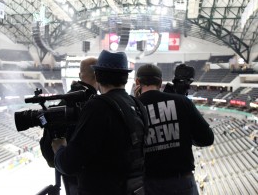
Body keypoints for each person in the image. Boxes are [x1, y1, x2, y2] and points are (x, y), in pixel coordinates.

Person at [51, 50, 148, 195]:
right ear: (126, 77)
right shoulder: (138, 105)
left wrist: (59, 149)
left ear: (97, 76)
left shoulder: (98, 106)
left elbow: (69, 164)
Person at [134, 63, 214, 195]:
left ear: (137, 81)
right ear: (160, 82)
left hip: (147, 184)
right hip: (181, 182)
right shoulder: (182, 101)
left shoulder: (132, 108)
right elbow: (207, 139)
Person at [39, 57, 98, 195]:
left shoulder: (64, 102)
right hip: (89, 180)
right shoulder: (95, 104)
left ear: (79, 75)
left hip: (68, 176)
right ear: (98, 76)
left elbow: (49, 152)